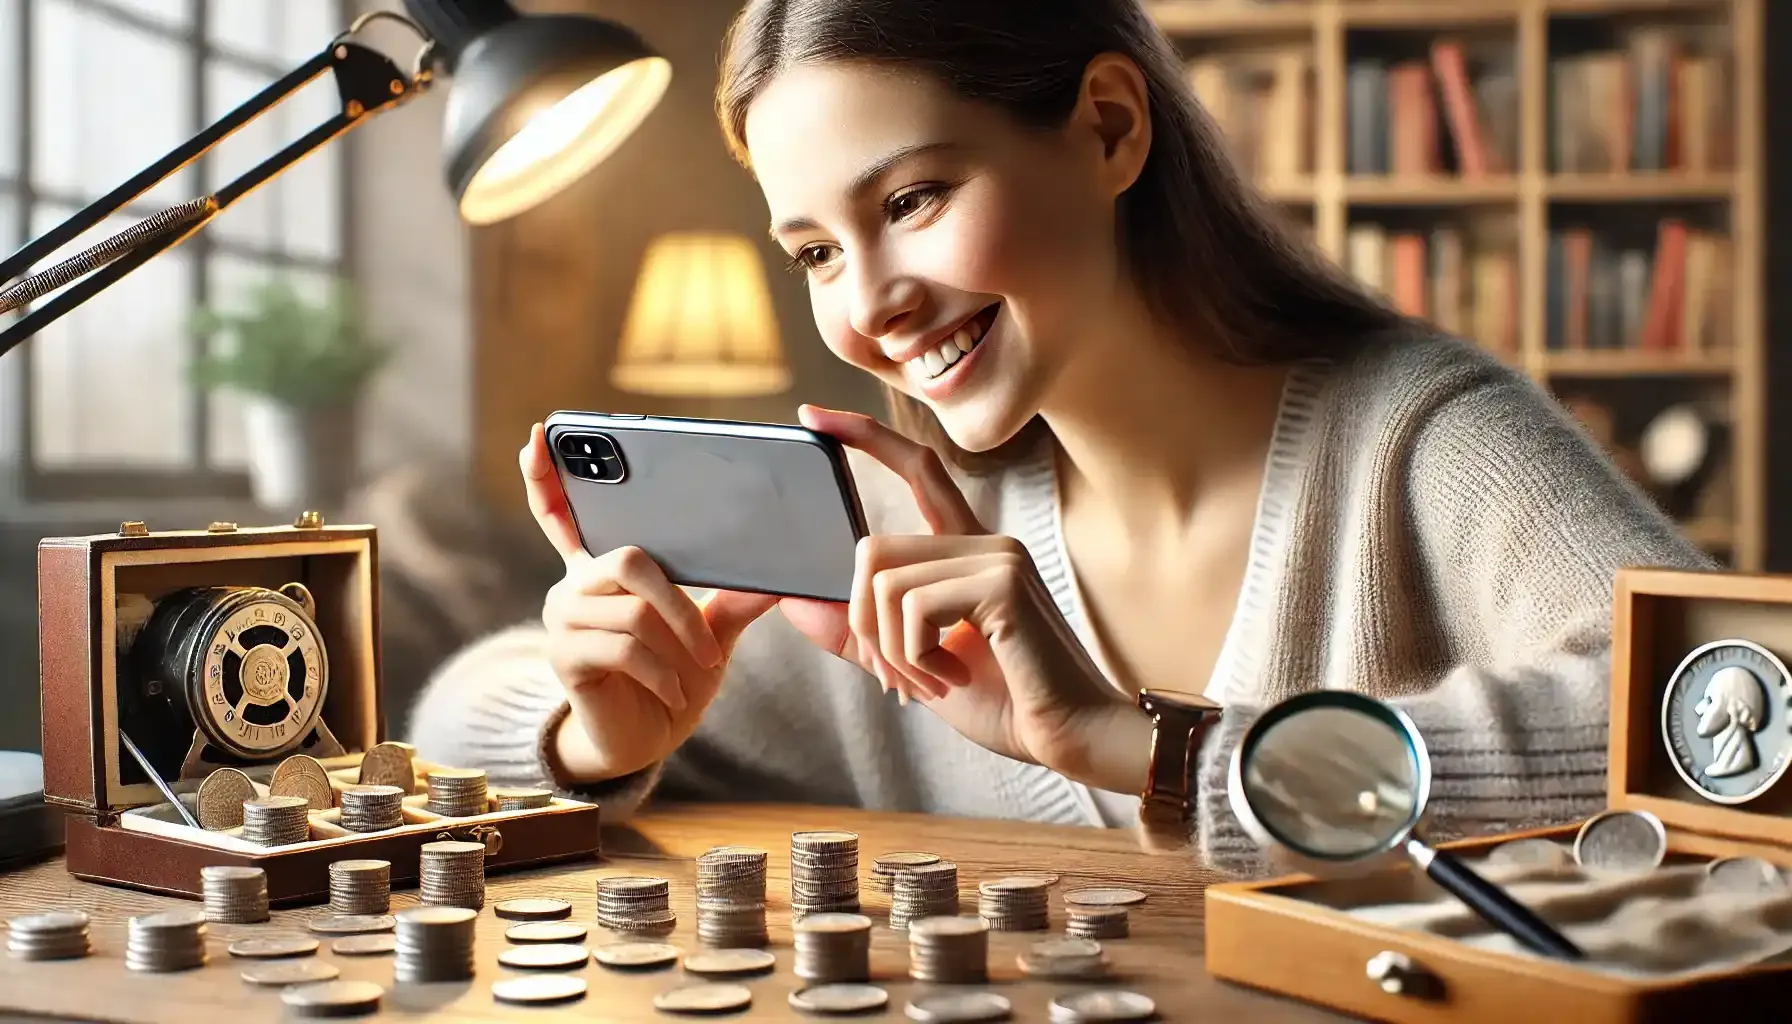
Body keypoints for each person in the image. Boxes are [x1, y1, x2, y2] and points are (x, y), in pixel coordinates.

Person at [408, 0, 1709, 873]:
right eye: (813, 251)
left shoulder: (1415, 439)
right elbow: (450, 728)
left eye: (913, 197)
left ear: (1108, 128)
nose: (867, 304)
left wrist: (1142, 753)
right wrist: (596, 738)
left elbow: (1725, 722)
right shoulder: (896, 539)